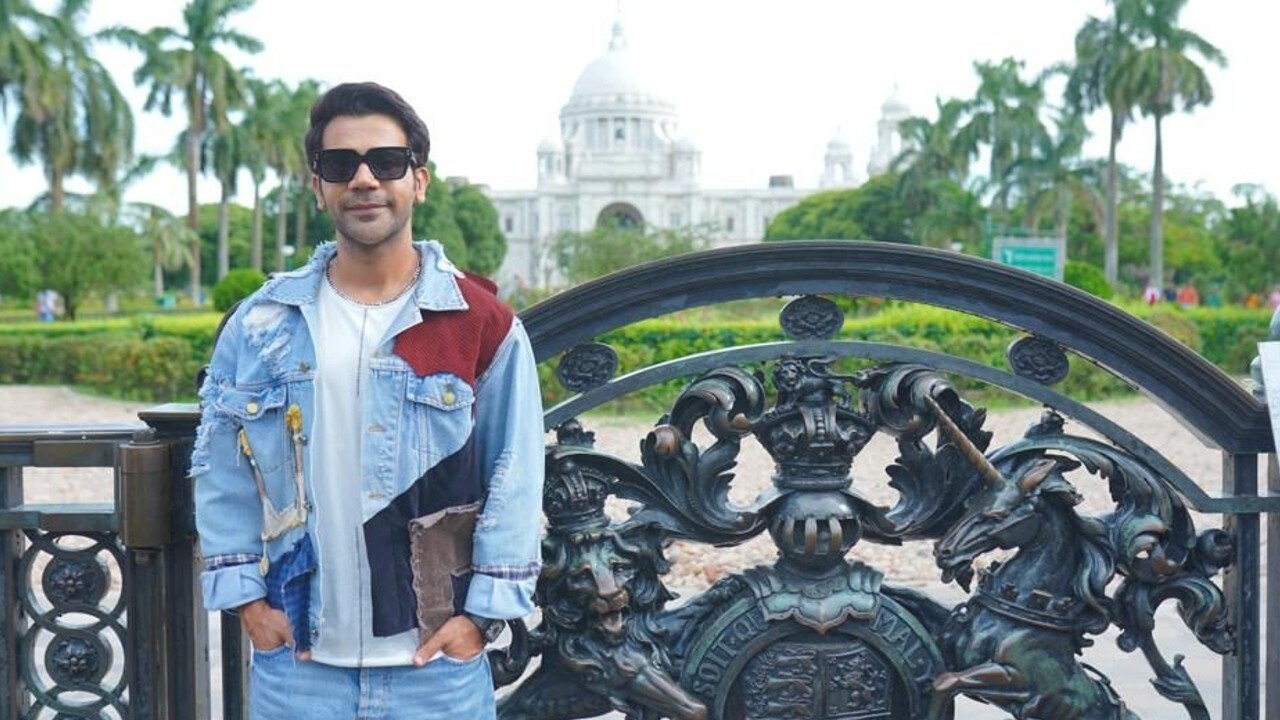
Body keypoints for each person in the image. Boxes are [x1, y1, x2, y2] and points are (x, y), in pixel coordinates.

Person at [191, 82, 543, 719]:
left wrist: (482, 619)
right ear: (317, 185)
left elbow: (515, 473)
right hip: (298, 669)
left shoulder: (477, 323)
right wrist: (247, 600)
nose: (364, 179)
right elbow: (223, 468)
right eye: (339, 164)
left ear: (420, 180)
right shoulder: (264, 323)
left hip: (435, 667)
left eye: (385, 162)